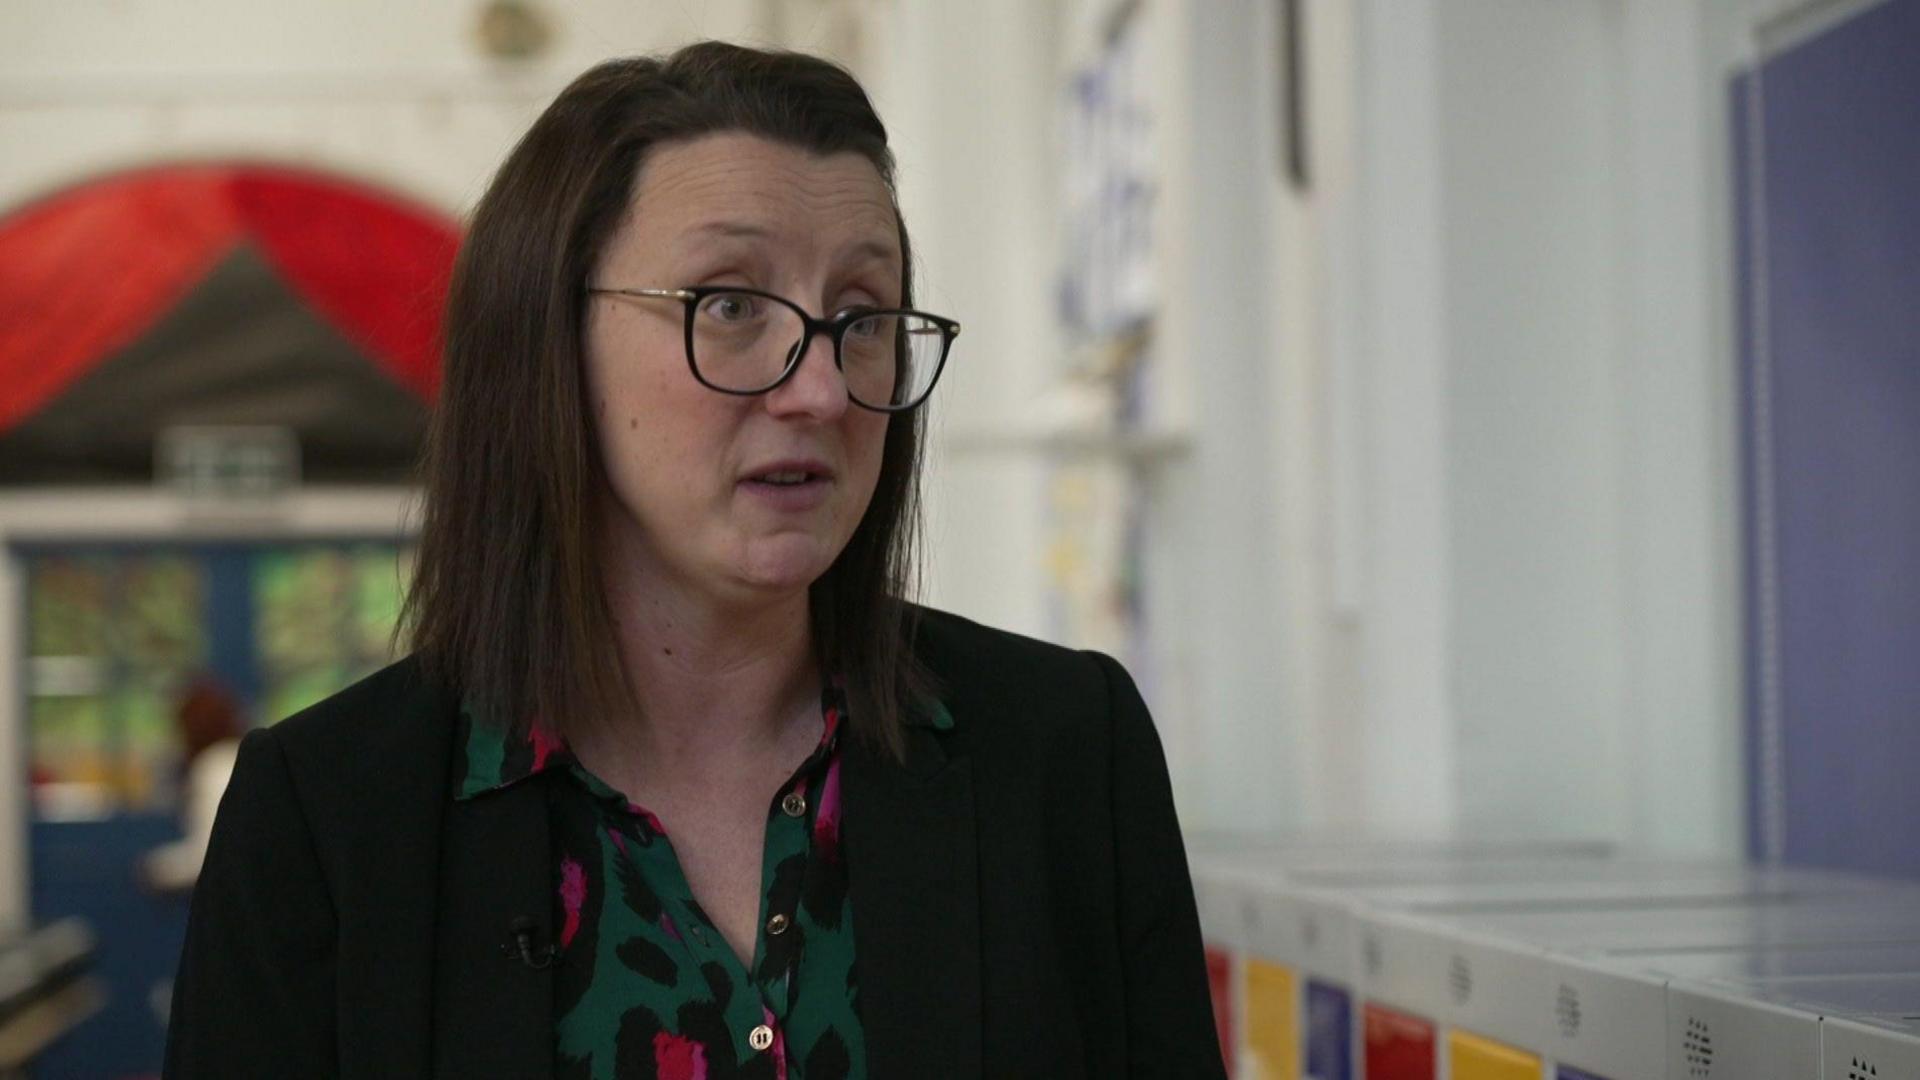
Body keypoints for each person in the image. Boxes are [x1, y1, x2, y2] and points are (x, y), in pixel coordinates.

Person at [164, 41, 1223, 1079]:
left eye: (861, 317)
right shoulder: (330, 819)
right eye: (728, 306)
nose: (817, 389)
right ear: (547, 346)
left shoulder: (1062, 751)